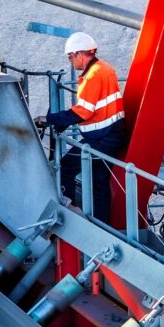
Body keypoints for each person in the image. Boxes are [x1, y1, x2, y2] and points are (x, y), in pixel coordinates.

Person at [34, 32, 126, 222]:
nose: (70, 61)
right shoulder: (105, 68)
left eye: (70, 56)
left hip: (101, 140)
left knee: (66, 167)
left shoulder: (93, 76)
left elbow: (83, 111)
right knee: (98, 182)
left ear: (79, 54)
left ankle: (68, 213)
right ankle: (102, 223)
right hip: (111, 136)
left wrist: (51, 119)